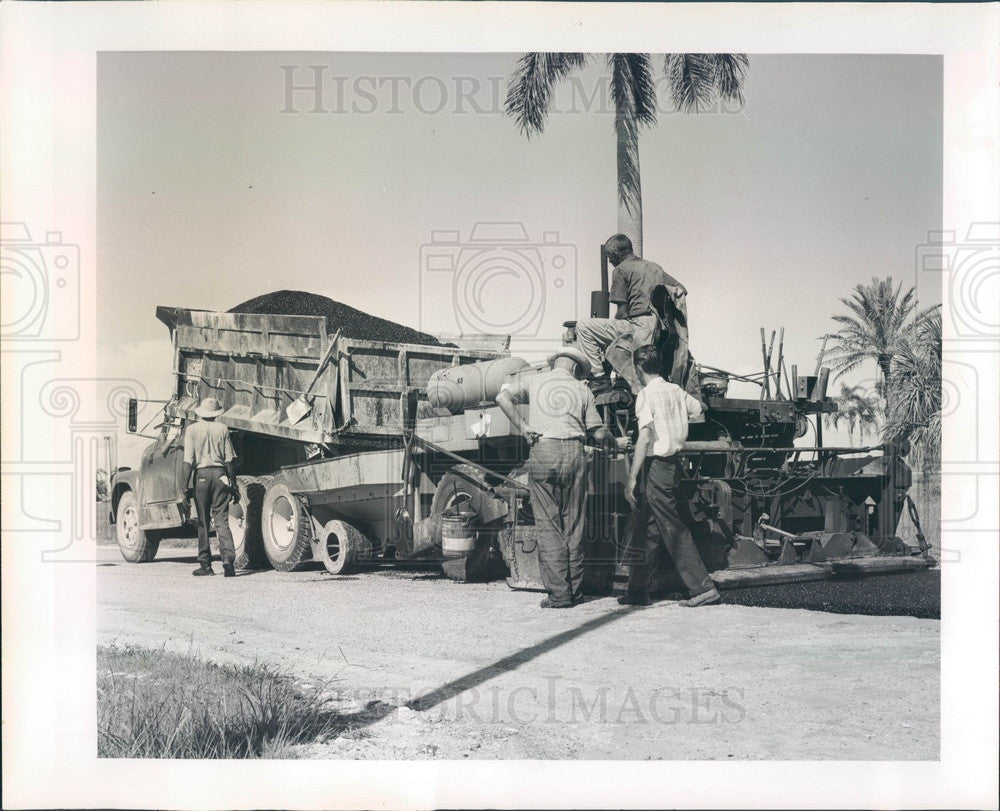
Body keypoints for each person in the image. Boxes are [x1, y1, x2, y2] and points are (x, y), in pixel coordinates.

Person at [496, 347, 613, 608]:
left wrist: (524, 427)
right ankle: (575, 590)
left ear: (556, 364)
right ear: (575, 369)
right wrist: (614, 440)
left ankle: (560, 595)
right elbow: (598, 431)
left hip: (543, 451)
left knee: (549, 526)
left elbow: (501, 397)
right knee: (574, 524)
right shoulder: (583, 389)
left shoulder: (534, 381)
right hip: (574, 453)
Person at [620, 345, 720, 607]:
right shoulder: (676, 391)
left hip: (657, 467)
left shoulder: (645, 395)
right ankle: (637, 590)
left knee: (671, 527)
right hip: (673, 465)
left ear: (639, 368)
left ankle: (703, 588)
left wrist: (632, 478)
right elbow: (700, 409)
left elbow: (644, 437)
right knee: (647, 528)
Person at [575, 234, 691, 387]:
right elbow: (681, 290)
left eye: (610, 257)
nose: (610, 262)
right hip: (659, 329)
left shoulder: (621, 270)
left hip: (638, 327)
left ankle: (598, 378)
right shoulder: (654, 267)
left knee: (584, 326)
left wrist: (608, 342)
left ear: (616, 253)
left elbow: (622, 312)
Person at [181, 397, 239, 577]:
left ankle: (205, 564)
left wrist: (184, 488)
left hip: (202, 476)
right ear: (216, 414)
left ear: (200, 412)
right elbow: (229, 460)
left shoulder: (191, 430)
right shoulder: (222, 429)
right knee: (221, 520)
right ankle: (228, 560)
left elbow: (188, 461)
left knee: (203, 522)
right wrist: (233, 485)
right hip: (221, 475)